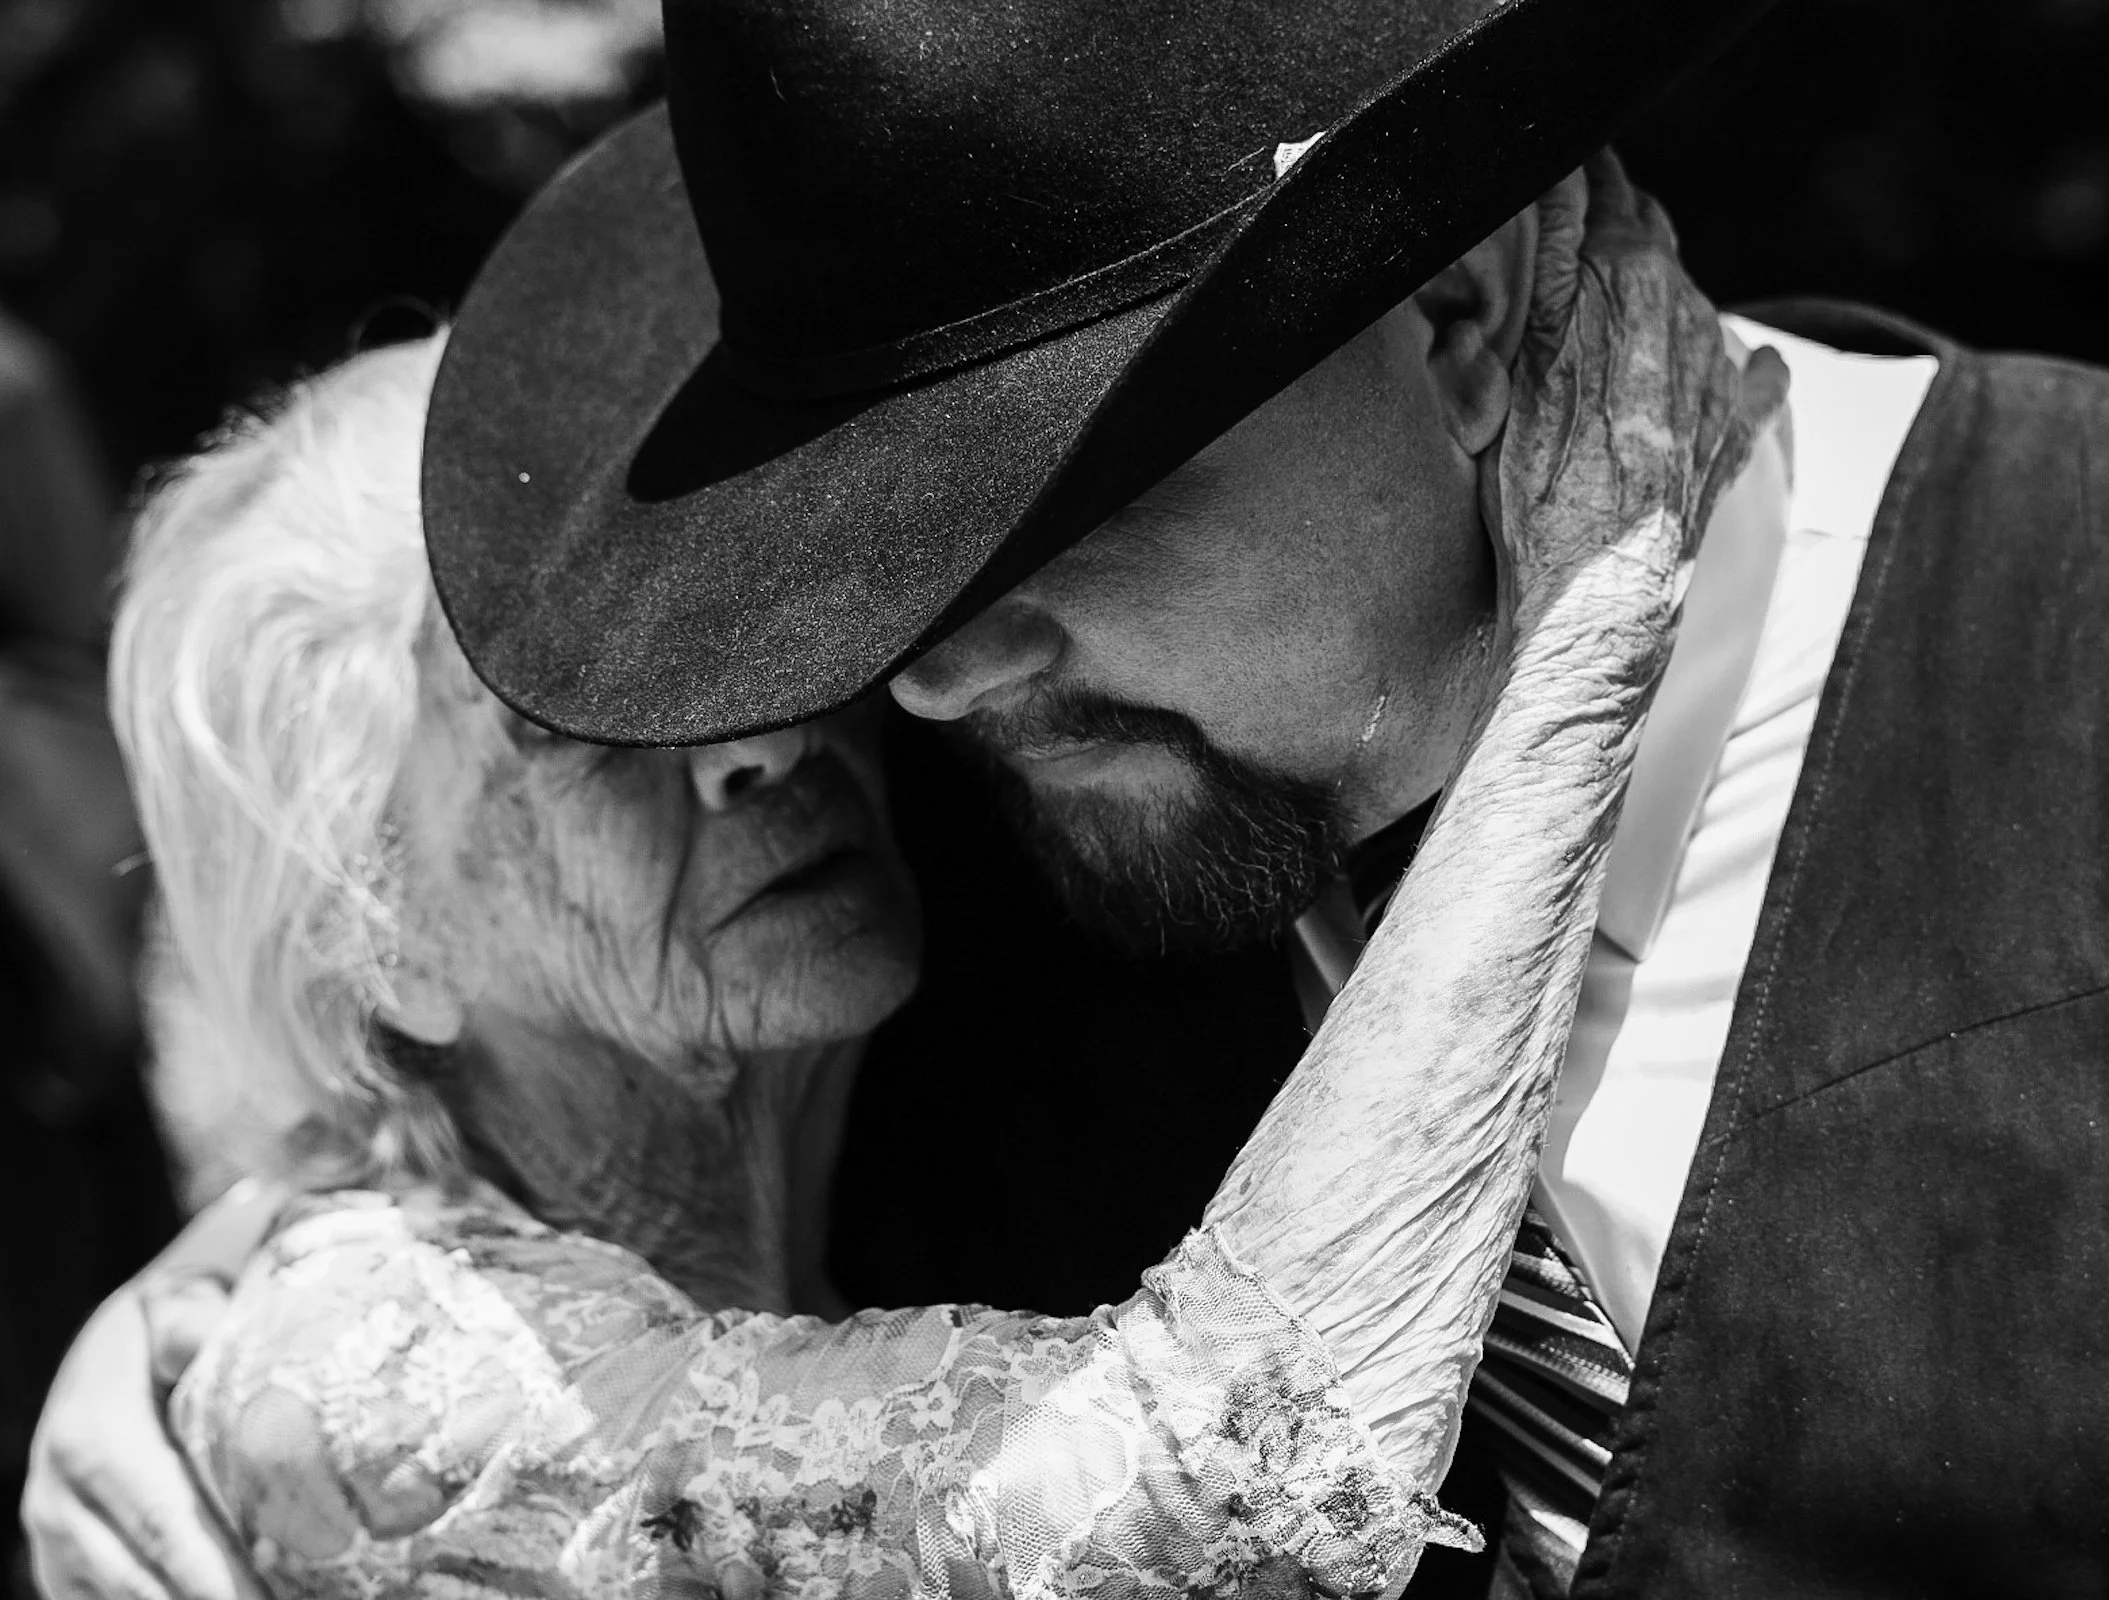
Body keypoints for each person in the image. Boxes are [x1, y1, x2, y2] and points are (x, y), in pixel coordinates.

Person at [38, 0, 2109, 1590]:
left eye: (1049, 499)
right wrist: (229, 1317)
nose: (925, 674)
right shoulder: (975, 886)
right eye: (854, 567)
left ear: (1455, 324)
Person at [29, 164, 1775, 1599]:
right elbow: (1223, 1495)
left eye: (718, 652)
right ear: (373, 937)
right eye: (568, 729)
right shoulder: (352, 1367)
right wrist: (1589, 615)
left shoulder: (965, 972)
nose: (753, 742)